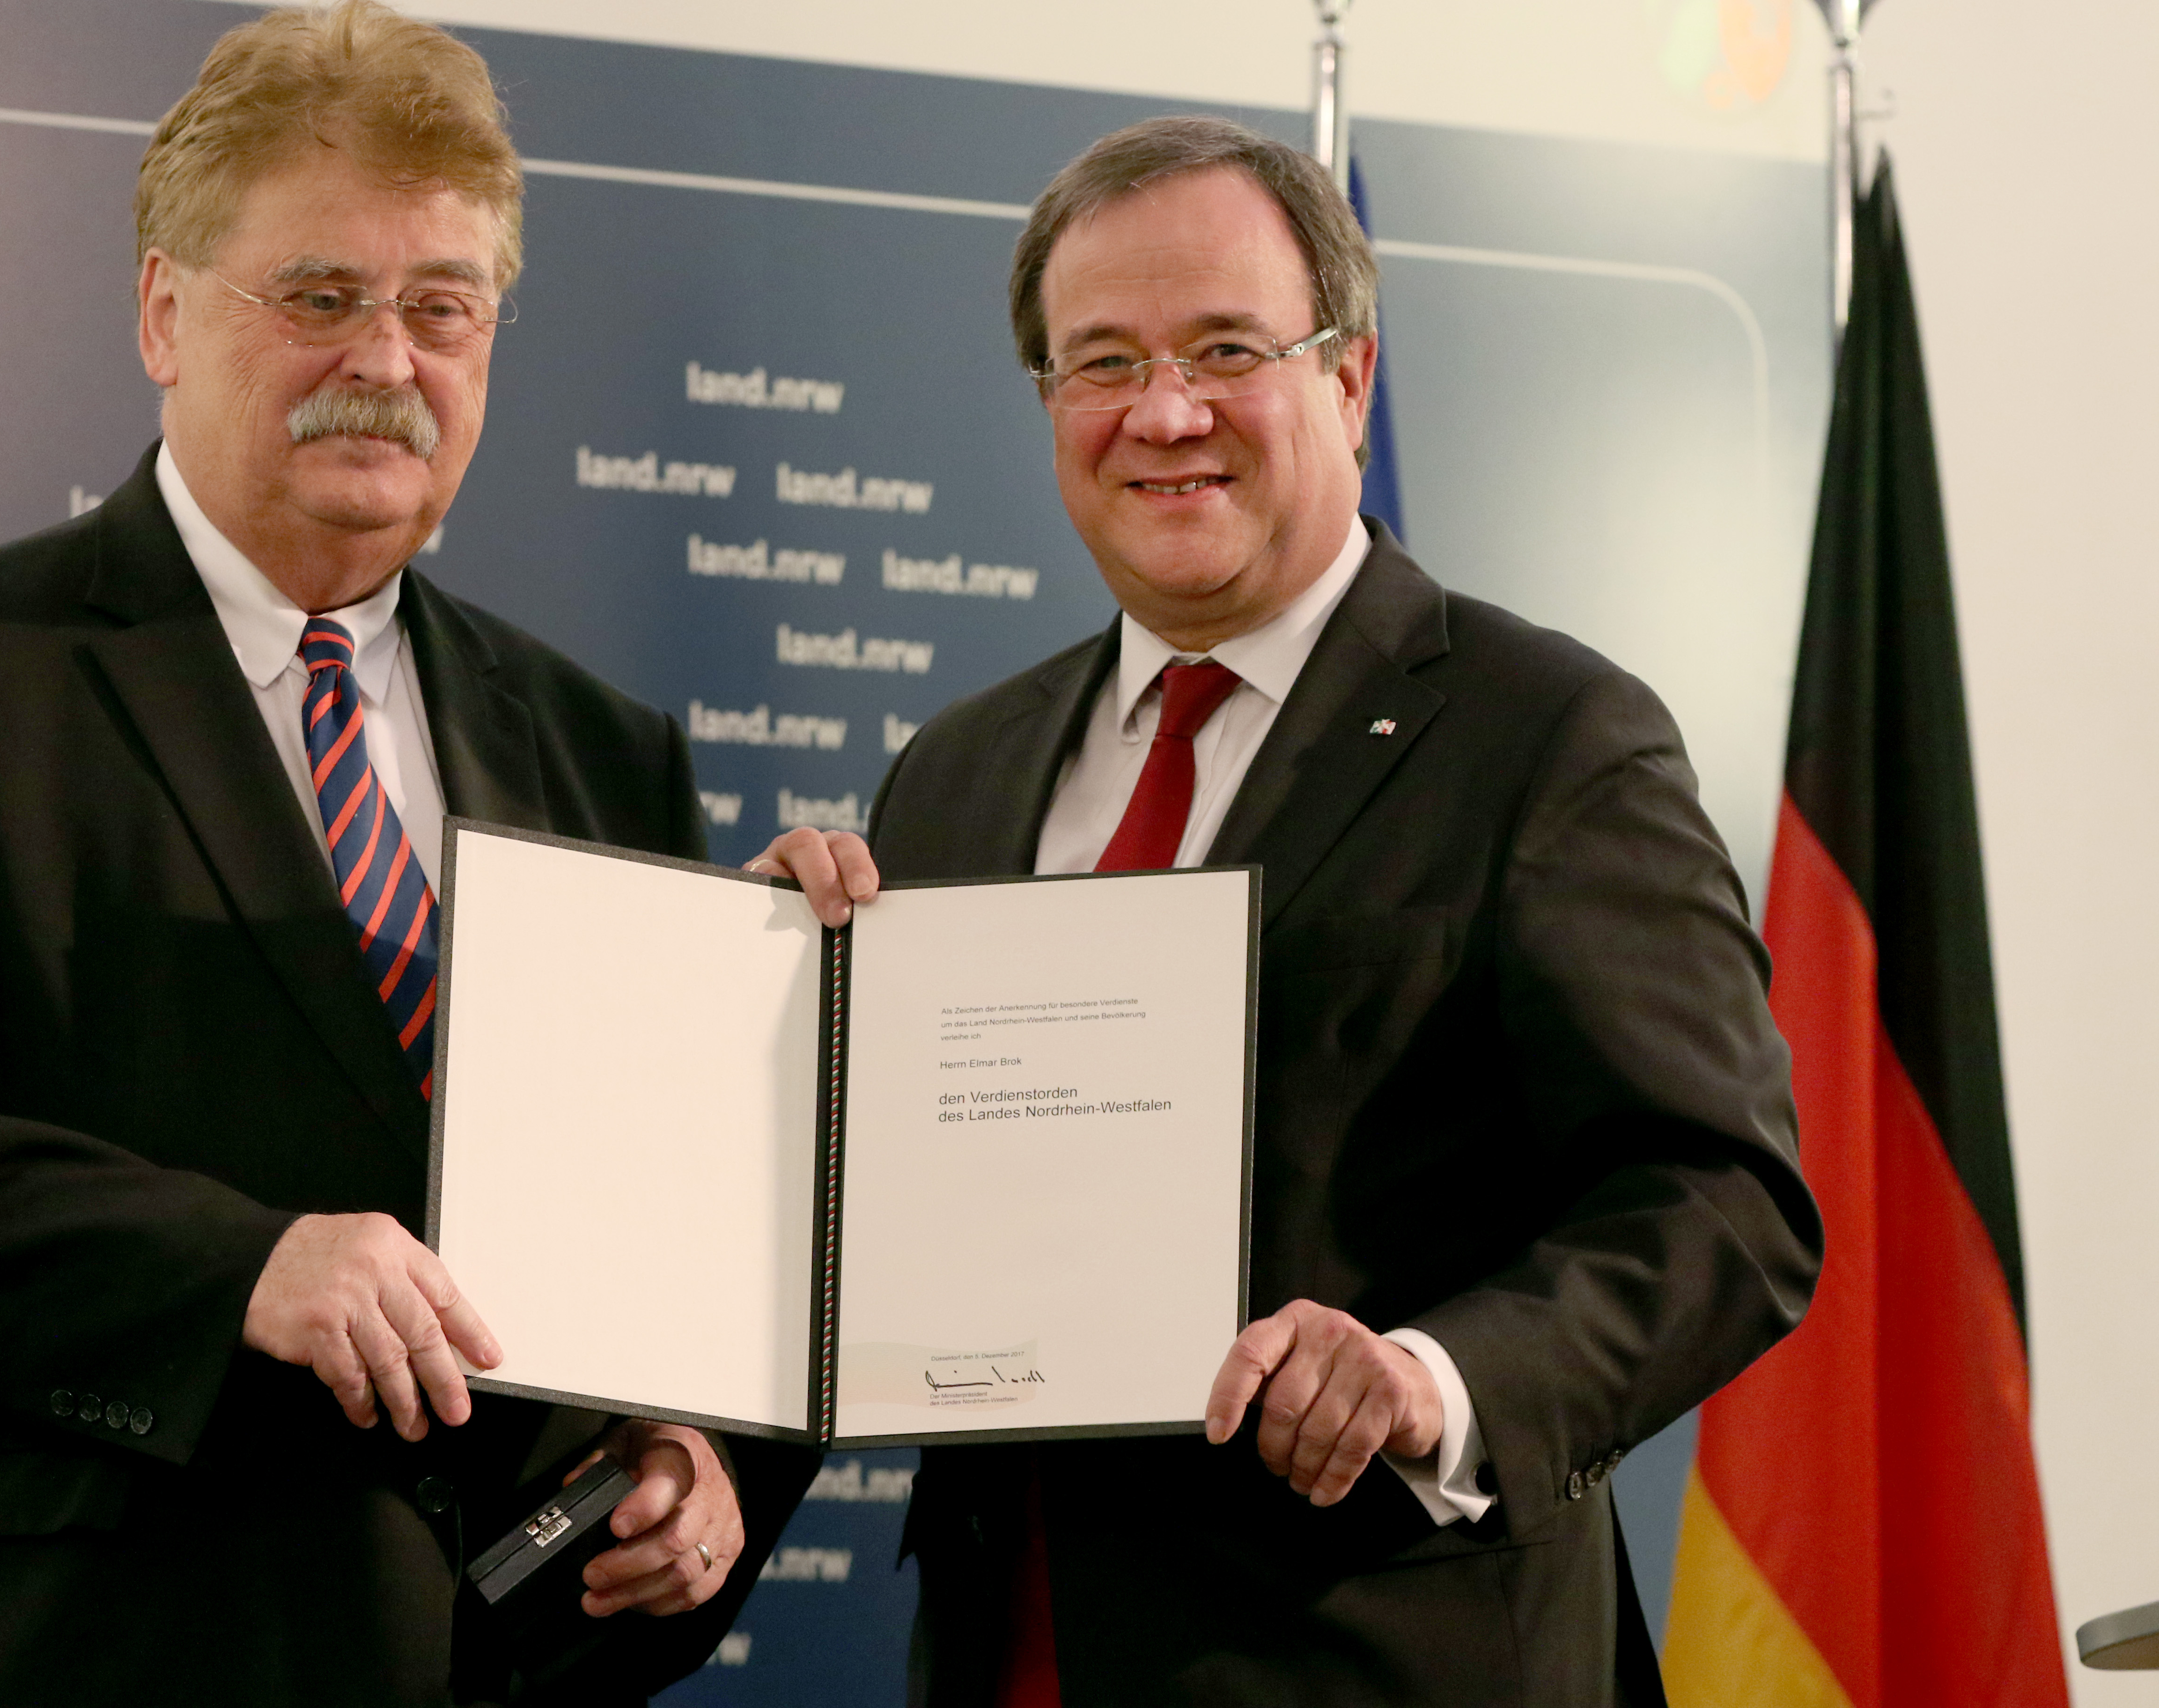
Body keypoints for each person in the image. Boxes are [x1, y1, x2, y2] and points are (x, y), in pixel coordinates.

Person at [0, 6, 807, 1703]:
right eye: (321, 297)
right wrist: (237, 1272)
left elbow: (664, 1250)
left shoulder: (604, 751)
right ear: (163, 311)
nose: (389, 361)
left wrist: (690, 1455)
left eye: (443, 308)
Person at [756, 116, 1821, 1706]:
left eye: (1226, 349)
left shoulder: (1547, 736)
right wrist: (770, 1006)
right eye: (1103, 362)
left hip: (1392, 1662)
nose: (1164, 411)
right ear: (1050, 404)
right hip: (1014, 1654)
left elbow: (1726, 1205)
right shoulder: (956, 774)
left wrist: (1432, 1379)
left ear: (1349, 377)